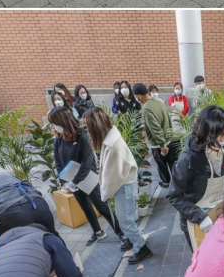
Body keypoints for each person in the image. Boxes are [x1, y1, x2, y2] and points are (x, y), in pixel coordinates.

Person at [82, 108, 153, 265]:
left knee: (125, 221)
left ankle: (141, 248)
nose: (86, 130)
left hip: (123, 186)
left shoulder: (112, 144)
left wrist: (104, 193)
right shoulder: (111, 137)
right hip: (124, 185)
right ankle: (134, 240)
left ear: (95, 126)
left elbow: (113, 176)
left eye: (87, 126)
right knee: (125, 219)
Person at [49, 106, 127, 248]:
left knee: (102, 207)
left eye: (55, 123)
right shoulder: (58, 139)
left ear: (63, 121)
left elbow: (87, 161)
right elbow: (58, 161)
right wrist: (64, 181)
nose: (54, 126)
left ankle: (122, 234)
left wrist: (75, 181)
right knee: (85, 207)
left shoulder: (81, 136)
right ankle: (98, 232)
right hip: (71, 181)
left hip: (87, 177)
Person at [166, 107, 224, 249]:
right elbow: (174, 196)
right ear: (207, 134)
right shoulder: (188, 159)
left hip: (221, 212)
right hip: (197, 219)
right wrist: (199, 217)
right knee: (203, 260)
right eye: (221, 136)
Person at [135, 83, 176, 189]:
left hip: (158, 145)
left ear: (139, 95)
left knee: (162, 166)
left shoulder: (146, 108)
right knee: (172, 164)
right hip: (169, 139)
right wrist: (171, 135)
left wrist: (162, 145)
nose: (136, 98)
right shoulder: (159, 101)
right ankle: (176, 183)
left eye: (136, 96)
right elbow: (167, 118)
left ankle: (166, 183)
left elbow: (155, 128)